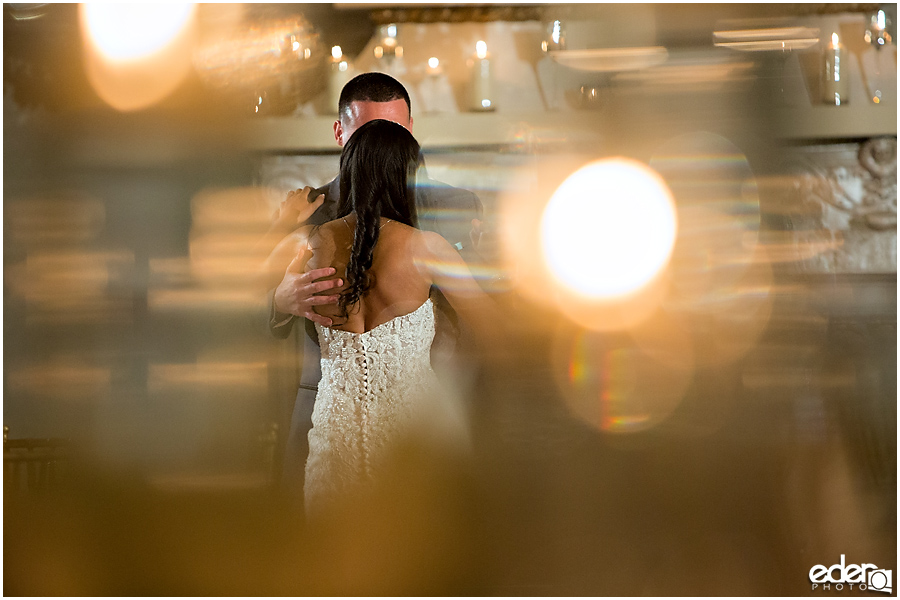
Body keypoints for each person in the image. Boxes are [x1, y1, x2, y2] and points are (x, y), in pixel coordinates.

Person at [266, 73, 484, 501]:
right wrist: (278, 300)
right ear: (339, 133)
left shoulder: (457, 206)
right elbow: (231, 300)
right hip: (322, 408)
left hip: (429, 406)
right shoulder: (304, 214)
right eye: (368, 132)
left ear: (411, 131)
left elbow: (485, 308)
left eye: (395, 131)